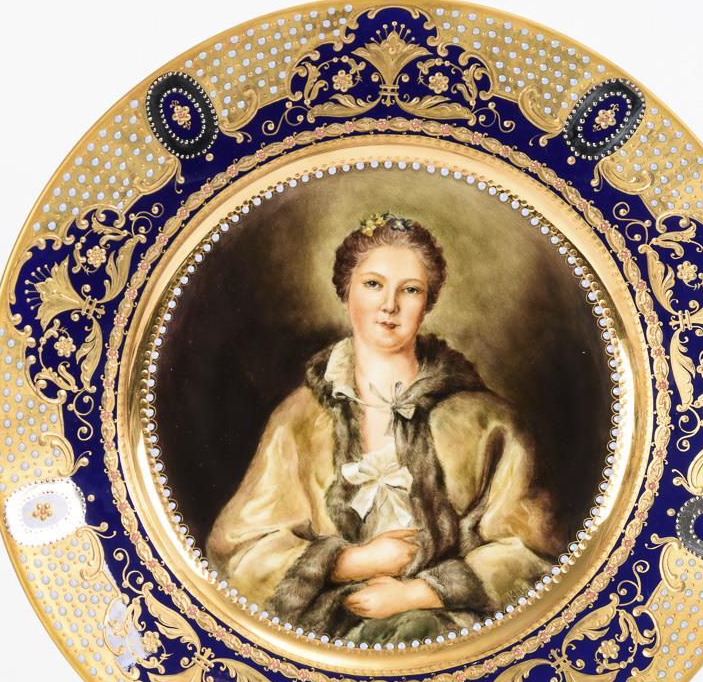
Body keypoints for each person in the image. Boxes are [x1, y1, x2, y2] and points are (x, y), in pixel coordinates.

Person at [205, 212, 564, 644]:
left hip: (450, 637)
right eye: (373, 284)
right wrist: (352, 562)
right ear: (346, 292)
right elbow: (238, 553)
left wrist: (421, 593)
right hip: (323, 640)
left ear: (427, 303)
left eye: (410, 290)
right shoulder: (299, 419)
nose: (389, 305)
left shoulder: (487, 422)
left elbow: (534, 554)